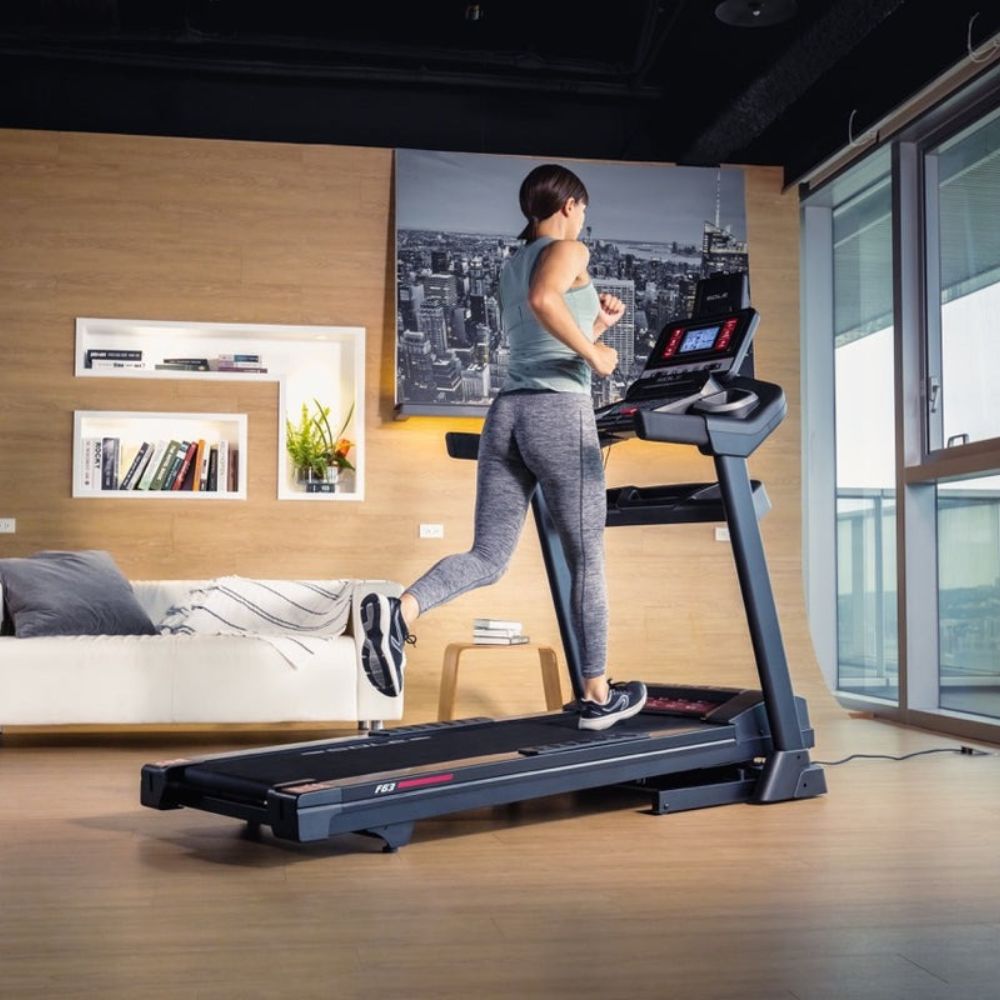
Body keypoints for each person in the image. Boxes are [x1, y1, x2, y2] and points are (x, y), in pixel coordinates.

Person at [361, 163, 647, 731]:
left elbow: (538, 334)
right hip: (558, 414)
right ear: (567, 205)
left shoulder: (510, 264)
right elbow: (547, 302)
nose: (584, 219)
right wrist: (598, 357)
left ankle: (398, 612)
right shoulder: (568, 251)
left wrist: (597, 330)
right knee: (586, 558)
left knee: (487, 558)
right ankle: (596, 695)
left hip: (507, 415)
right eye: (583, 209)